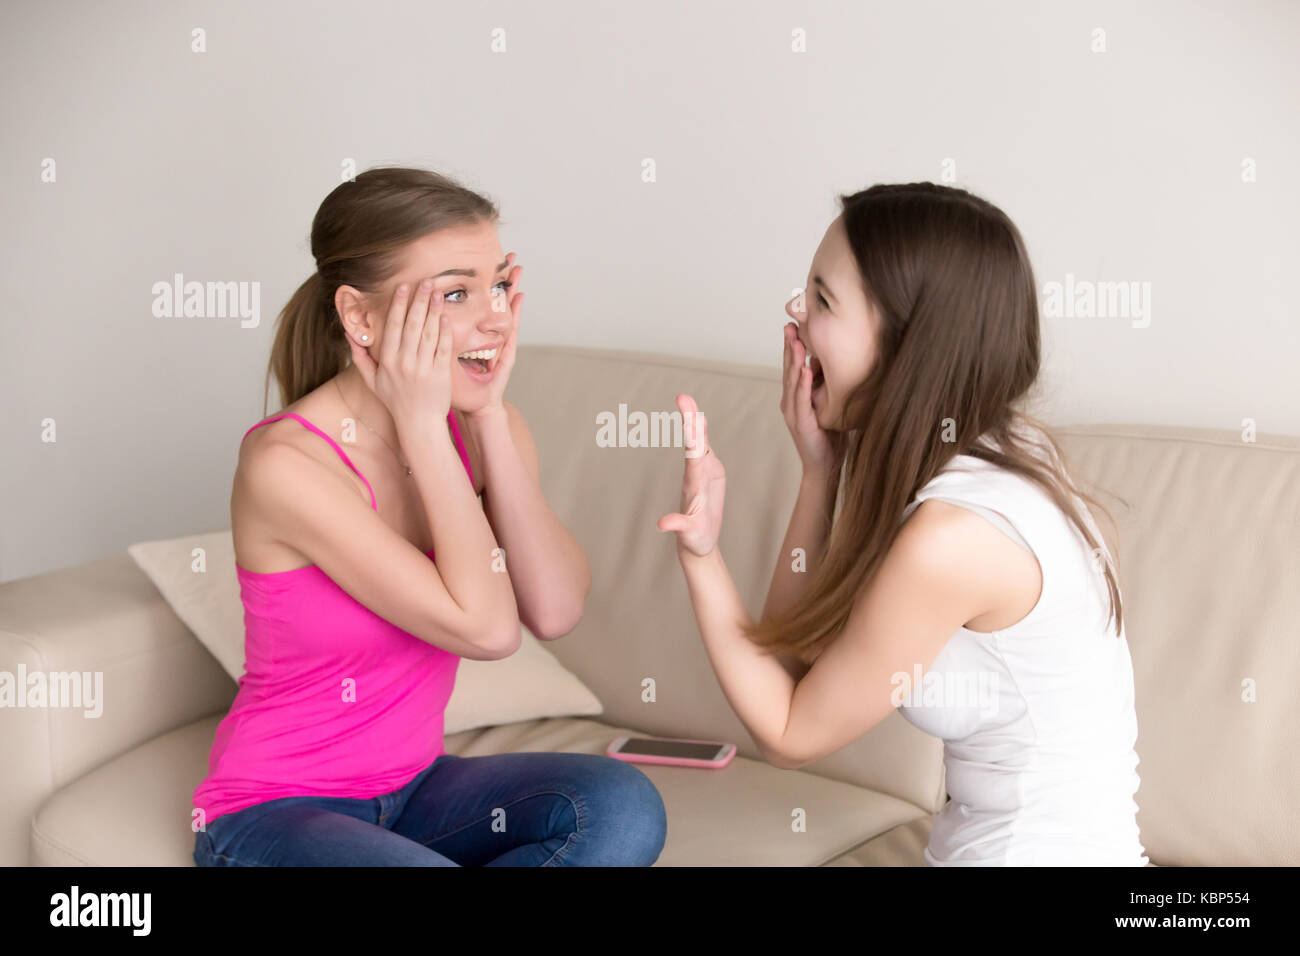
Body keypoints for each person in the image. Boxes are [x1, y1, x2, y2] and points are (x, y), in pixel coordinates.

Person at [658, 182, 1148, 866]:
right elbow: (793, 659)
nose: (795, 316)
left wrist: (701, 558)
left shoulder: (953, 539)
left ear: (907, 342)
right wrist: (820, 471)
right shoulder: (1008, 453)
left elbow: (789, 730)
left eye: (823, 300)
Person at [192, 166, 666, 866]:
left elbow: (556, 608)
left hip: (415, 790)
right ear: (360, 317)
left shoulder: (479, 429)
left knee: (621, 809)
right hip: (275, 810)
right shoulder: (288, 465)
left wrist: (488, 421)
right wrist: (421, 426)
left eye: (499, 284)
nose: (496, 316)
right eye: (456, 292)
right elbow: (488, 628)